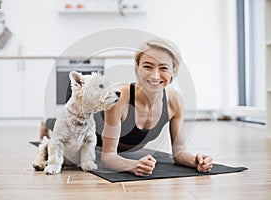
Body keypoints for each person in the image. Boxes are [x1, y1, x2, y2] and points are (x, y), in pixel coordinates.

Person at [40, 38, 213, 177]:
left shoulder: (174, 100)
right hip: (94, 135)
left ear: (173, 71)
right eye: (147, 66)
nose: (155, 75)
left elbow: (179, 153)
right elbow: (108, 157)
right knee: (65, 127)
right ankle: (46, 123)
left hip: (126, 147)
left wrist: (196, 160)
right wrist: (133, 165)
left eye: (163, 68)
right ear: (137, 68)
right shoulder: (121, 97)